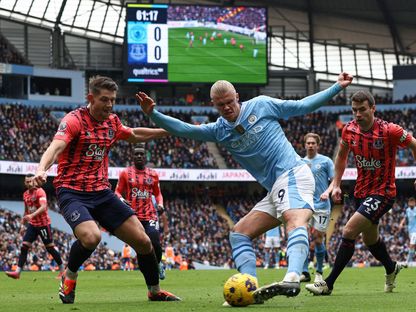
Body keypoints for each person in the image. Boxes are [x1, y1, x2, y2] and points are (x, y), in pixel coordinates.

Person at [137, 72, 353, 303]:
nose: (227, 107)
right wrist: (153, 114)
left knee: (294, 219)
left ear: (237, 97)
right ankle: (249, 286)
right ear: (214, 105)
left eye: (230, 102)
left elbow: (302, 105)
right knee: (239, 234)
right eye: (221, 105)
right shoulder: (218, 130)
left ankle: (293, 276)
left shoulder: (261, 105)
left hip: (293, 173)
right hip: (275, 188)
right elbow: (184, 129)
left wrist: (336, 87)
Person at [32, 76, 180, 304]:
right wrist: (42, 169)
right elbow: (56, 147)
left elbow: (133, 135)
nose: (109, 105)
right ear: (90, 98)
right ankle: (69, 275)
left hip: (102, 192)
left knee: (144, 242)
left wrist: (168, 130)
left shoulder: (112, 122)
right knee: (92, 237)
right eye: (104, 100)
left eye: (112, 100)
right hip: (72, 192)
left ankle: (154, 290)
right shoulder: (73, 120)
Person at [306, 90, 416, 296]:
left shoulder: (390, 130)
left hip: (383, 193)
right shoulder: (349, 130)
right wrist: (336, 184)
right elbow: (341, 157)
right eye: (354, 110)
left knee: (348, 231)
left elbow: (414, 144)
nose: (357, 114)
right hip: (360, 192)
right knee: (370, 240)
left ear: (373, 109)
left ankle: (328, 284)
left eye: (362, 110)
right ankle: (391, 268)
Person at [115, 143, 169, 280]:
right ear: (132, 157)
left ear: (146, 157)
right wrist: (121, 200)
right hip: (133, 217)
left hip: (150, 215)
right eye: (136, 154)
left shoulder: (153, 174)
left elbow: (158, 194)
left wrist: (161, 204)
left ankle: (158, 264)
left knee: (155, 241)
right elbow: (117, 192)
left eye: (141, 154)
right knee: (141, 247)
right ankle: (149, 274)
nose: (139, 156)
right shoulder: (125, 173)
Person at [5, 173, 65, 280]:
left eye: (31, 181)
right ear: (25, 182)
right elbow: (26, 211)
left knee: (50, 248)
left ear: (34, 181)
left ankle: (62, 271)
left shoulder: (40, 191)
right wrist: (23, 226)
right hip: (33, 225)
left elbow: (43, 207)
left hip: (43, 224)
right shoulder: (25, 195)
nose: (29, 183)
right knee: (24, 247)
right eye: (27, 181)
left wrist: (31, 215)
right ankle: (17, 272)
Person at [300, 133, 334, 283]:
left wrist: (327, 192)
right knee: (301, 237)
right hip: (305, 205)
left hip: (321, 206)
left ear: (318, 145)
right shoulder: (299, 162)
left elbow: (335, 181)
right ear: (304, 145)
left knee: (318, 239)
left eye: (313, 143)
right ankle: (304, 272)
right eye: (308, 143)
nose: (311, 145)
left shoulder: (326, 161)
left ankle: (319, 271)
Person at [399, 197, 416, 264]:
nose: (411, 203)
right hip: (410, 230)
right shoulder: (407, 210)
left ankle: (407, 262)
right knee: (413, 246)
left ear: (415, 203)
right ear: (408, 203)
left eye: (413, 202)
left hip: (415, 230)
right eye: (410, 202)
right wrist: (401, 223)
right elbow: (405, 217)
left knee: (411, 245)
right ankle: (410, 260)